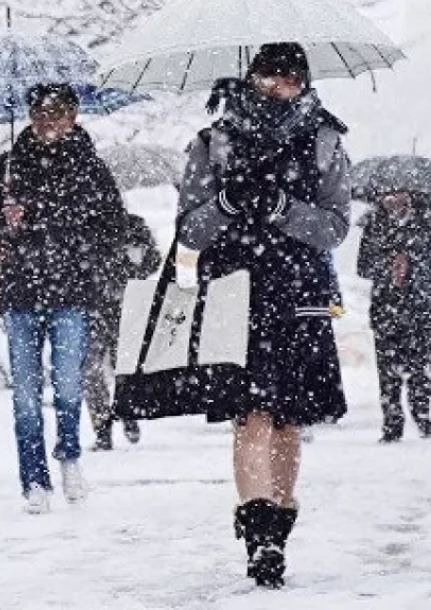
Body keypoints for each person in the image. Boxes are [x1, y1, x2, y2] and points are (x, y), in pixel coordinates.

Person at [176, 42, 352, 588]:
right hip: (235, 294)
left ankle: (279, 525)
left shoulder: (325, 140)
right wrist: (228, 202)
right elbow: (189, 230)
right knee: (249, 415)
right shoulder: (214, 142)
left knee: (287, 418)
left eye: (293, 77)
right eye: (272, 76)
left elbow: (335, 227)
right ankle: (260, 538)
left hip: (299, 293)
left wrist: (282, 209)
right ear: (252, 78)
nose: (282, 86)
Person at [0, 83, 126, 514]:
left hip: (72, 293)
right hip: (20, 293)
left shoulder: (91, 169)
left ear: (73, 116)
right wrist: (3, 223)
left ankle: (70, 455)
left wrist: (50, 224)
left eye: (56, 113)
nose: (46, 122)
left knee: (70, 386)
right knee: (24, 394)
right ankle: (33, 481)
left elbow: (113, 227)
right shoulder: (7, 167)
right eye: (39, 113)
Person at [356, 191, 431, 443]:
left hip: (417, 310)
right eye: (389, 196)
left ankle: (422, 416)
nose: (393, 201)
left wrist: (411, 262)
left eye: (400, 195)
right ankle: (392, 424)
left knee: (418, 369)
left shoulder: (426, 224)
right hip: (385, 310)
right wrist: (388, 263)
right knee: (387, 374)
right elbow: (363, 266)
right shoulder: (374, 226)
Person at [84, 211, 162, 451]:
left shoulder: (131, 225)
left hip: (120, 306)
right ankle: (104, 428)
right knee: (94, 370)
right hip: (95, 306)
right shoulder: (84, 225)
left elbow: (153, 259)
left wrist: (129, 271)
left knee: (117, 367)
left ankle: (124, 415)